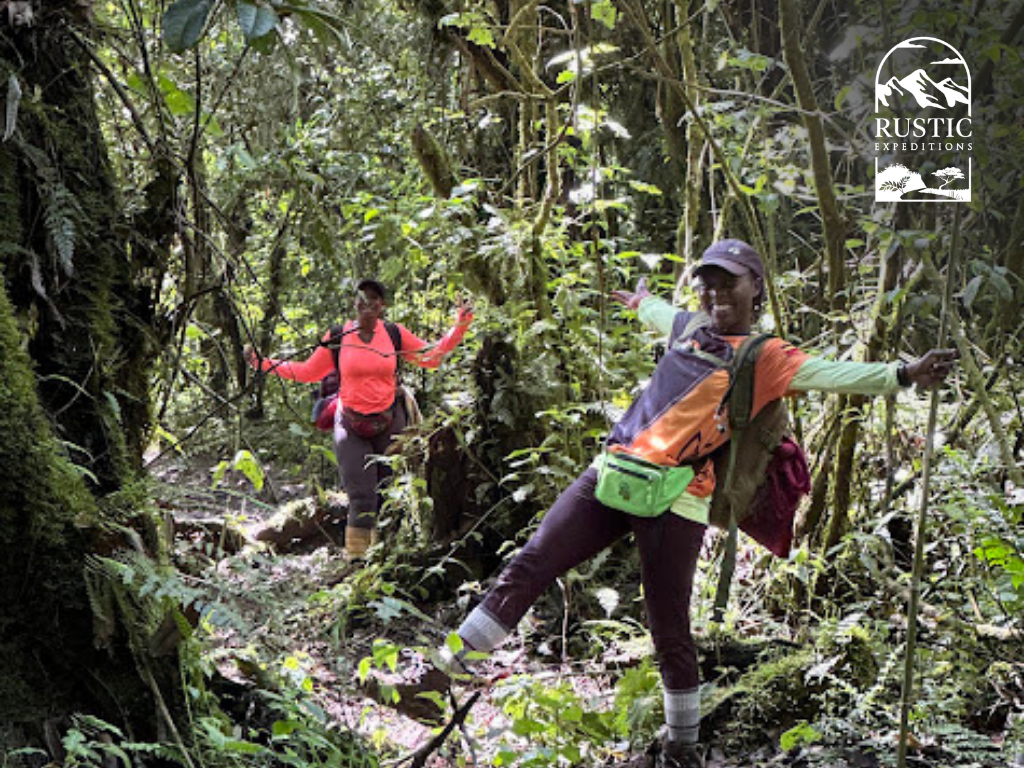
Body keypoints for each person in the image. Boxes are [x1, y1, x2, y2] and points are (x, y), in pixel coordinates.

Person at [433, 240, 956, 767]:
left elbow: (830, 373)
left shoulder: (765, 356)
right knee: (530, 563)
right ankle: (440, 675)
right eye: (708, 282)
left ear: (756, 286)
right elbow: (665, 314)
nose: (716, 292)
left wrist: (905, 374)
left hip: (678, 495)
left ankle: (682, 748)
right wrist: (641, 303)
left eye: (729, 281)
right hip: (614, 472)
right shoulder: (689, 328)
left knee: (669, 630)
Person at [246, 278, 473, 557]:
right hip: (350, 423)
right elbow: (307, 371)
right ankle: (357, 561)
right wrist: (262, 363)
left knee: (389, 495)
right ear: (355, 304)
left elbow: (432, 356)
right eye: (362, 299)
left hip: (390, 421)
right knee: (361, 497)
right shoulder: (339, 336)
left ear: (382, 306)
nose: (367, 305)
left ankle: (386, 558)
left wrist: (461, 324)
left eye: (374, 300)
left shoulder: (393, 334)